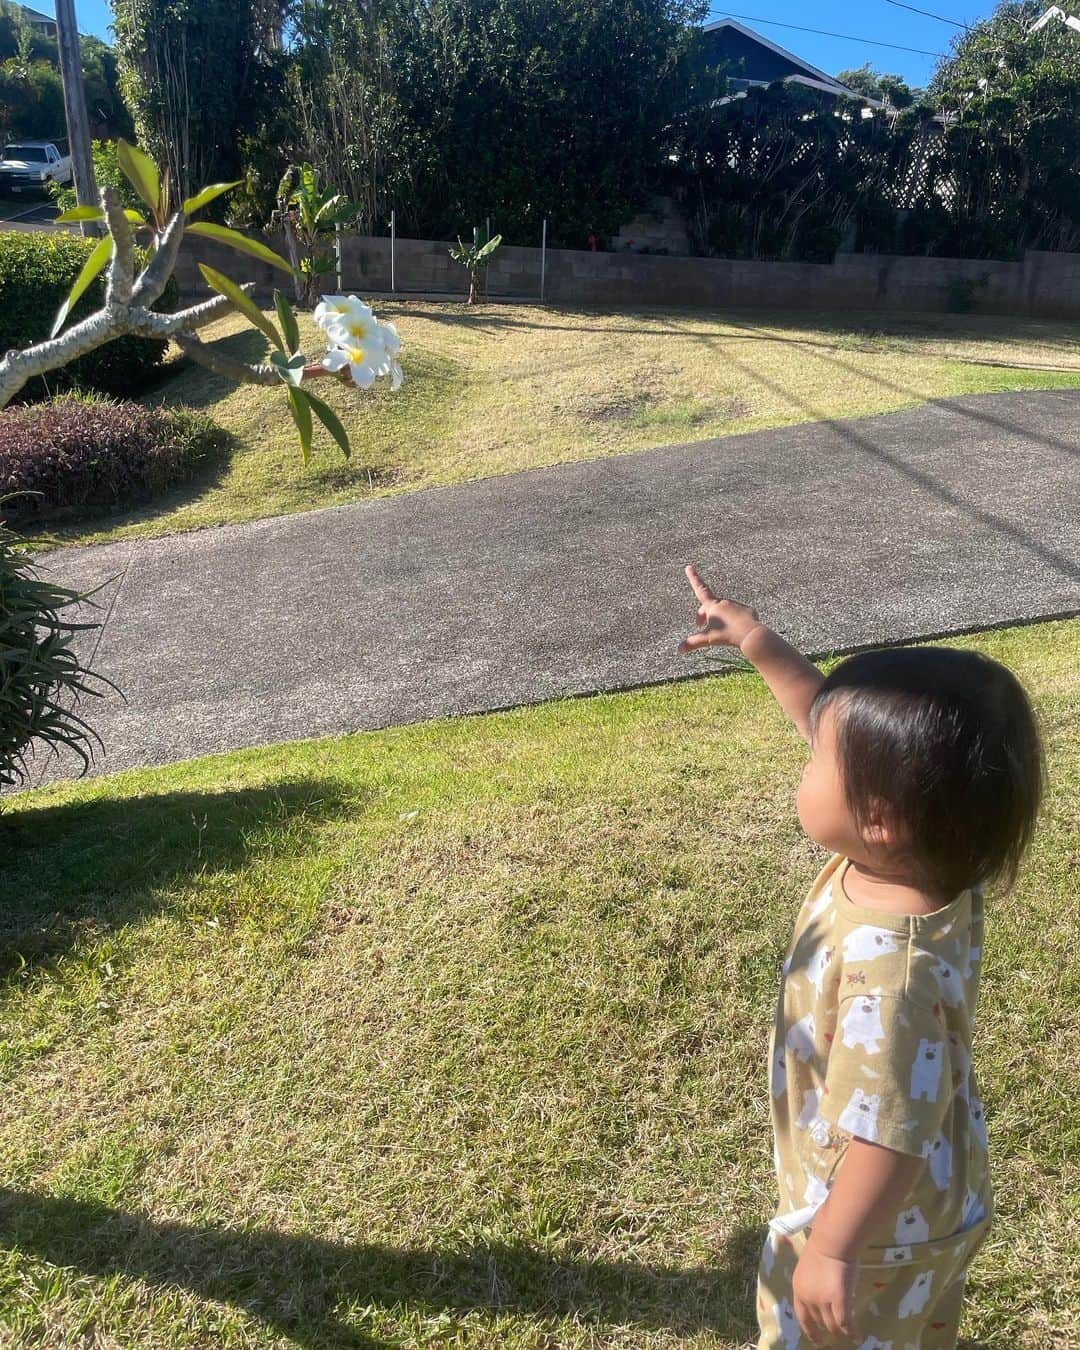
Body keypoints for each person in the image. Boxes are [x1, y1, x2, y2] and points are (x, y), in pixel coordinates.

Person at [677, 565, 1044, 1350]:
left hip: (876, 1225)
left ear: (877, 817)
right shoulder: (937, 861)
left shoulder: (891, 972)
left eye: (817, 762)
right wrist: (758, 643)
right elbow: (827, 718)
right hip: (929, 1205)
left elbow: (889, 1132)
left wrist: (833, 1250)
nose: (806, 755)